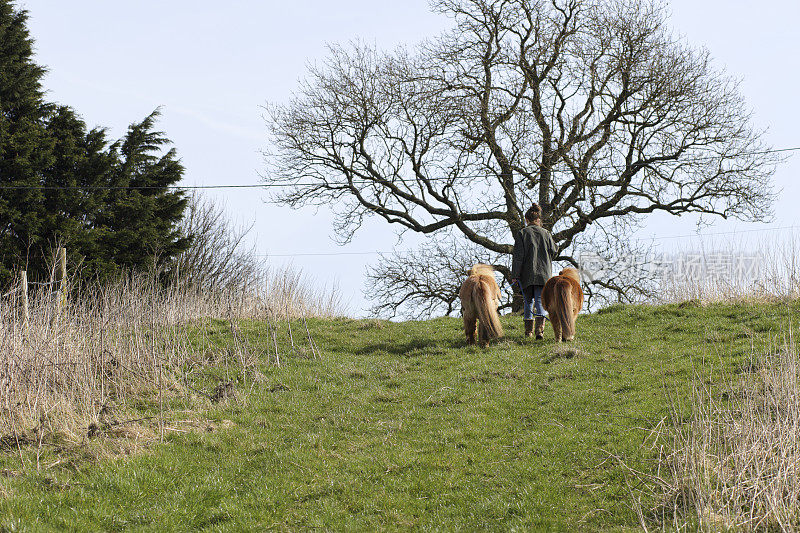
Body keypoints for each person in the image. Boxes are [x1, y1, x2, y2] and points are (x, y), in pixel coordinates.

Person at [511, 204, 557, 339]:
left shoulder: (522, 233)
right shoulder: (546, 233)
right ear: (538, 219)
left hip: (527, 274)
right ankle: (540, 331)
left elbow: (518, 256)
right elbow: (554, 251)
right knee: (539, 300)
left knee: (528, 302)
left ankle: (528, 332)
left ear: (526, 219)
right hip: (544, 274)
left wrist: (515, 275)